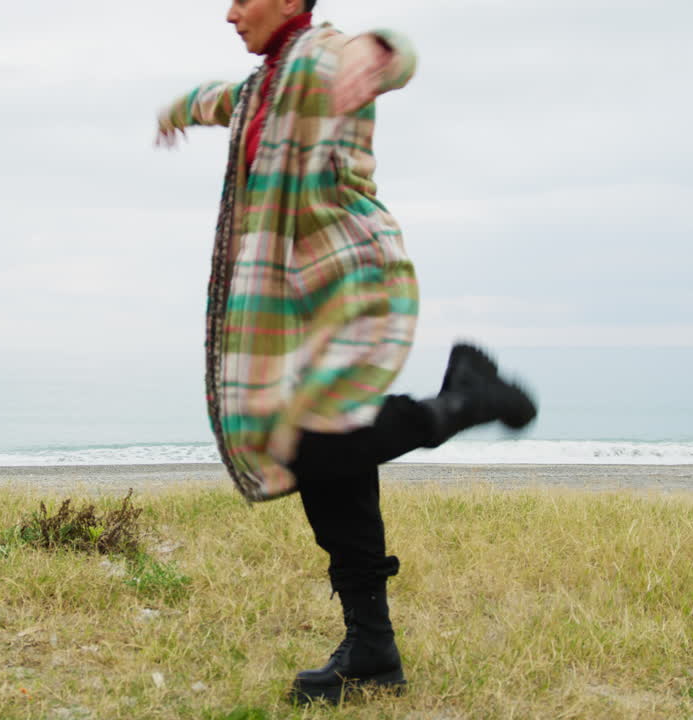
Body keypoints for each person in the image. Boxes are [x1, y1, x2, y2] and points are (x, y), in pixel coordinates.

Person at [155, 0, 537, 705]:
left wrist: (380, 53)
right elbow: (217, 101)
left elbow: (391, 53)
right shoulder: (260, 88)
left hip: (352, 280)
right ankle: (373, 648)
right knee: (326, 454)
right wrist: (175, 109)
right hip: (303, 301)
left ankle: (462, 403)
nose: (230, 12)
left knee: (314, 445)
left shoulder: (323, 57)